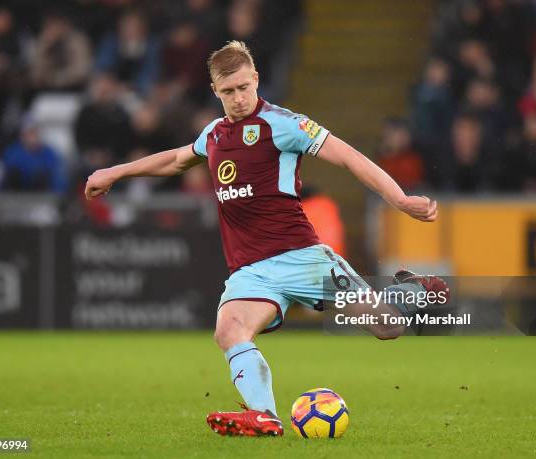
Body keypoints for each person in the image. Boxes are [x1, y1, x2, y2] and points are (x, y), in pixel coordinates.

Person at [84, 41, 447, 437]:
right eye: (228, 91)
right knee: (228, 329)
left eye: (243, 87)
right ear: (215, 91)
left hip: (301, 258)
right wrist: (116, 172)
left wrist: (399, 198)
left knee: (387, 328)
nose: (238, 98)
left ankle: (413, 291)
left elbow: (347, 156)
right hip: (250, 270)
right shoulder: (214, 134)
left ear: (255, 79)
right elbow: (175, 160)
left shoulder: (284, 124)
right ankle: (264, 415)